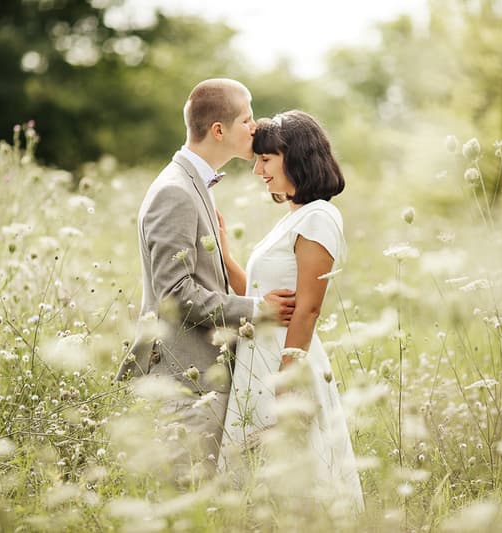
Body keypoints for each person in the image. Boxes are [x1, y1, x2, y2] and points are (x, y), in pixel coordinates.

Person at [114, 78, 295, 486]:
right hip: (183, 380)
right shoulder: (175, 191)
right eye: (247, 119)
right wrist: (256, 310)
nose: (255, 126)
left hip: (202, 376)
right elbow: (174, 295)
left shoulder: (196, 184)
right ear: (219, 130)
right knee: (184, 501)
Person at [217, 110, 364, 511]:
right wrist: (225, 253)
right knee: (257, 484)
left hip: (286, 364)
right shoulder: (294, 216)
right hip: (261, 361)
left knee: (296, 484)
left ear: (295, 156)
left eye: (266, 160)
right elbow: (265, 298)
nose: (258, 171)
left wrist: (288, 382)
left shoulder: (319, 216)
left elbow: (308, 309)